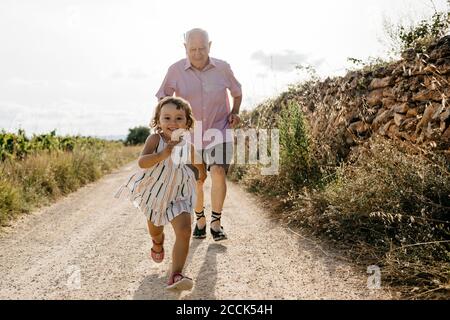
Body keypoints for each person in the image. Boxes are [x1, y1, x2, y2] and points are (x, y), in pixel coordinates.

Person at [156, 28, 242, 241]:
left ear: (209, 46)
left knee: (219, 171)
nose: (197, 53)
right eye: (192, 49)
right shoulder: (175, 70)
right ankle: (200, 220)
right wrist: (169, 123)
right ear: (185, 47)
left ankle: (216, 223)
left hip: (219, 131)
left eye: (201, 48)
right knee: (197, 181)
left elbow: (237, 92)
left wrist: (235, 112)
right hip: (189, 136)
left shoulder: (223, 68)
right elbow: (162, 98)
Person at [115, 96, 206, 291]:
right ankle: (157, 242)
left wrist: (202, 174)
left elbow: (198, 162)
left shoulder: (187, 146)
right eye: (167, 118)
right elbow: (142, 162)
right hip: (155, 195)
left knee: (184, 230)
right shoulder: (155, 139)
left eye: (179, 118)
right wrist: (162, 155)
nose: (173, 123)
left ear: (187, 123)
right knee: (155, 230)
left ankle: (176, 274)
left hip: (178, 195)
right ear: (158, 121)